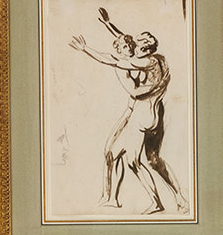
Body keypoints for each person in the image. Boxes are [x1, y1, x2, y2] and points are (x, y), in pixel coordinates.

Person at [70, 15, 187, 215]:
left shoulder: (145, 62)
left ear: (145, 48)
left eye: (139, 42)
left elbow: (112, 60)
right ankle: (180, 199)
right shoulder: (159, 59)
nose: (133, 42)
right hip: (155, 115)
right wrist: (109, 25)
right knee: (153, 160)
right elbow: (126, 38)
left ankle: (156, 202)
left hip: (142, 116)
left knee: (135, 163)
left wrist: (85, 49)